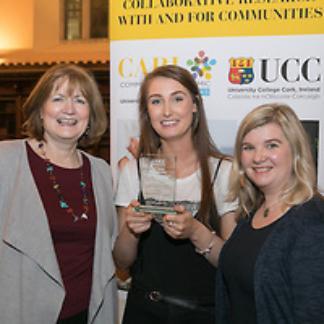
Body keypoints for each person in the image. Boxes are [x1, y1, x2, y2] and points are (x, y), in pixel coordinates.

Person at [113, 64, 238, 324]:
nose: (167, 111)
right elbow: (122, 260)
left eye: (177, 98)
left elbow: (232, 262)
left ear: (194, 105)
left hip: (204, 315)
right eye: (156, 101)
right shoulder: (133, 170)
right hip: (144, 313)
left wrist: (196, 231)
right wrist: (131, 229)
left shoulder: (223, 171)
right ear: (147, 111)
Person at [0, 64, 118, 324]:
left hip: (85, 315)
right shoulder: (6, 160)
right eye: (58, 98)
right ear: (41, 110)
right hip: (20, 312)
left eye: (79, 100)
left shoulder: (100, 172)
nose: (69, 109)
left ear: (90, 114)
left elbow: (109, 252)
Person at [216, 103, 324, 323]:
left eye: (271, 145)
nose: (258, 157)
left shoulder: (312, 223)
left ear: (295, 151)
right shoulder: (251, 212)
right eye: (248, 148)